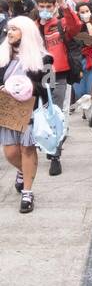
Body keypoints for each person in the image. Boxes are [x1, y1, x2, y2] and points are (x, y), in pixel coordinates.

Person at [1, 16, 48, 214]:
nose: (9, 32)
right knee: (11, 153)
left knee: (27, 150)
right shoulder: (2, 55)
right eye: (8, 29)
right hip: (7, 112)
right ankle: (22, 171)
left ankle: (27, 192)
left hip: (29, 110)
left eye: (14, 29)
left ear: (26, 32)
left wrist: (25, 87)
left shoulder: (43, 58)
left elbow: (47, 87)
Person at [33, 0, 81, 177]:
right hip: (38, 75)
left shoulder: (61, 24)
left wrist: (63, 3)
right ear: (37, 7)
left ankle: (55, 155)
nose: (45, 9)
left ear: (54, 7)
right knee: (41, 112)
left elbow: (75, 26)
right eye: (42, 6)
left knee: (56, 113)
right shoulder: (32, 26)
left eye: (48, 6)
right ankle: (48, 143)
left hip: (58, 73)